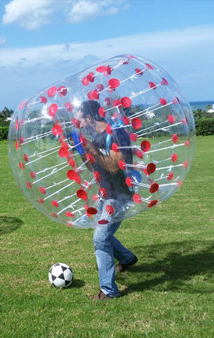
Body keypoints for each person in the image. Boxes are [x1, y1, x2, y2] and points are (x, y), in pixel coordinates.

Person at [75, 100, 138, 300]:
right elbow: (96, 169)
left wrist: (93, 150)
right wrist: (82, 151)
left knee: (100, 237)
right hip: (106, 192)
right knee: (100, 231)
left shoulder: (116, 134)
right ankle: (127, 259)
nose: (80, 125)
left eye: (80, 121)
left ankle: (109, 292)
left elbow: (114, 167)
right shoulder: (95, 136)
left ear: (89, 118)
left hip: (119, 195)